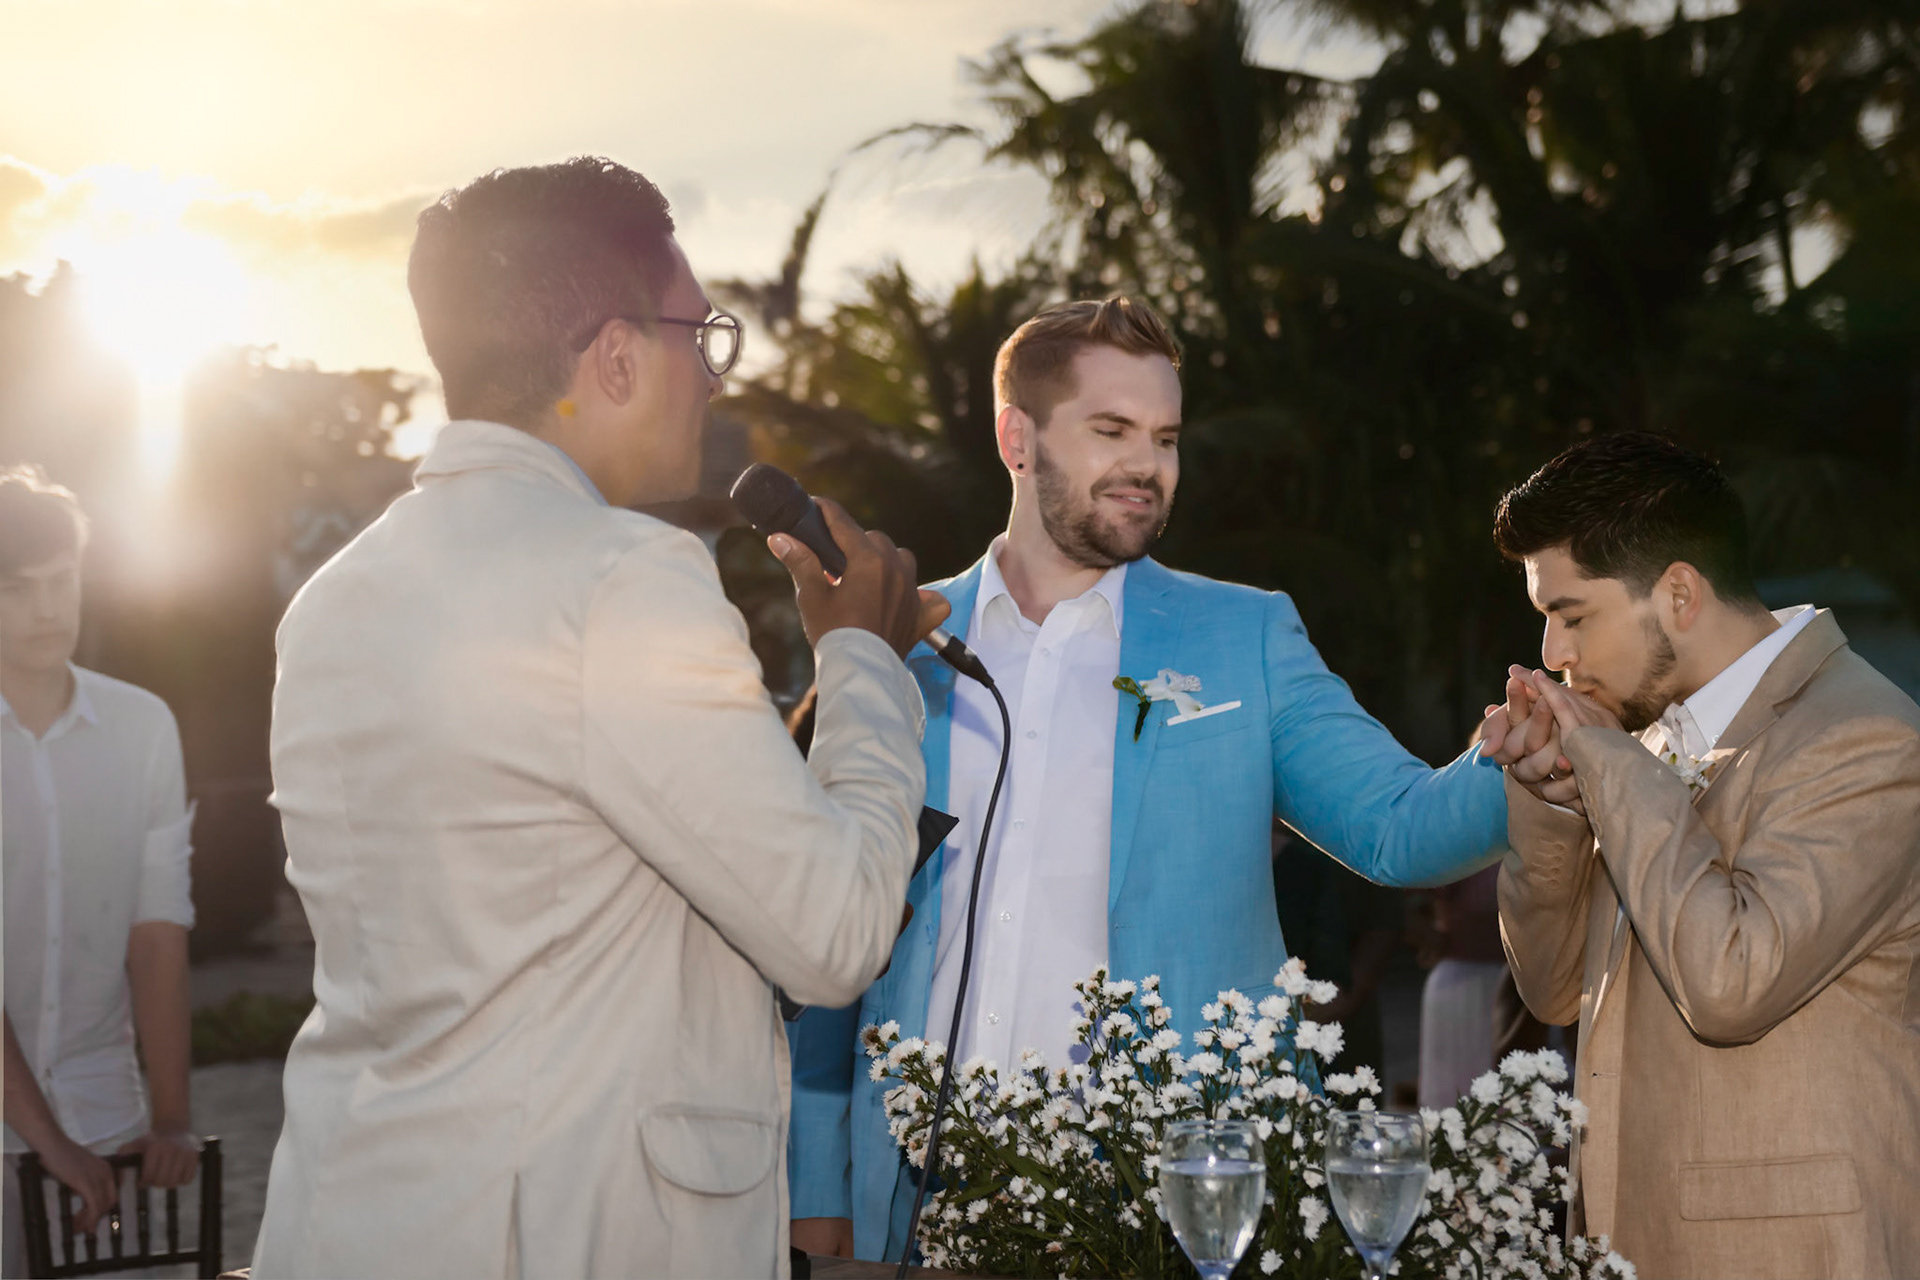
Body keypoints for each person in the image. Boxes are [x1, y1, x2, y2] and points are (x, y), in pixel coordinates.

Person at [252, 158, 945, 1280]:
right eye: (702, 336)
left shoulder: (331, 597)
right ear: (616, 354)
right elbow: (834, 932)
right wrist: (861, 655)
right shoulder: (623, 576)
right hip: (568, 1235)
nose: (716, 379)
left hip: (350, 1222)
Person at [788, 296, 1509, 1262]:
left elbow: (1398, 827)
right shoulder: (901, 642)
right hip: (919, 1206)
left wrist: (1533, 762)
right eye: (1112, 430)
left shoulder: (1244, 635)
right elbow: (833, 944)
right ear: (1018, 438)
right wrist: (813, 1193)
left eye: (1165, 437)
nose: (1149, 465)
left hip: (1160, 1209)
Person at [1480, 433, 1920, 1279]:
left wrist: (1611, 773)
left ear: (1679, 592)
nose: (1553, 656)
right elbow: (1555, 990)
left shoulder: (1867, 736)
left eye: (1572, 616)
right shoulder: (1640, 742)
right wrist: (1555, 800)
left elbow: (1730, 983)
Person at [1, 466, 200, 1276]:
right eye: (17, 588)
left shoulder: (143, 727)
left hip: (105, 1113)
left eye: (64, 581)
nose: (50, 609)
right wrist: (50, 1145)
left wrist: (174, 1122)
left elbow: (158, 938)